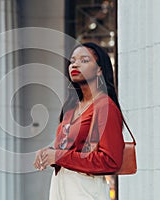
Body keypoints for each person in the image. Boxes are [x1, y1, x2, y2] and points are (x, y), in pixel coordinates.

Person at [33, 42, 125, 200]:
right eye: (73, 60)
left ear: (99, 69)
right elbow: (69, 149)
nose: (75, 64)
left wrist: (58, 156)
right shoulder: (71, 107)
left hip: (85, 188)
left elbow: (111, 161)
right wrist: (48, 153)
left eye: (84, 60)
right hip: (60, 184)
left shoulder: (104, 106)